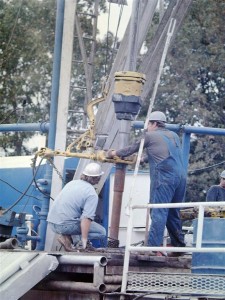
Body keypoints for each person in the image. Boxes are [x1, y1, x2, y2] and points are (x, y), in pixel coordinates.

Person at [107, 111, 187, 256]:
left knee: (157, 211)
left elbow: (130, 149)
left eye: (148, 124)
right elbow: (161, 153)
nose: (147, 127)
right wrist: (143, 159)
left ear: (154, 123)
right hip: (181, 178)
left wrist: (113, 154)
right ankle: (179, 246)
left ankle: (152, 248)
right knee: (172, 212)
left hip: (165, 178)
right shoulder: (174, 135)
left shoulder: (149, 136)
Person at [47, 162, 106, 252]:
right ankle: (74, 241)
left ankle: (67, 238)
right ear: (98, 178)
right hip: (65, 226)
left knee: (77, 221)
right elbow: (86, 219)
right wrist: (84, 241)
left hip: (52, 223)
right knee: (101, 232)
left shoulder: (72, 183)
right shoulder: (91, 193)